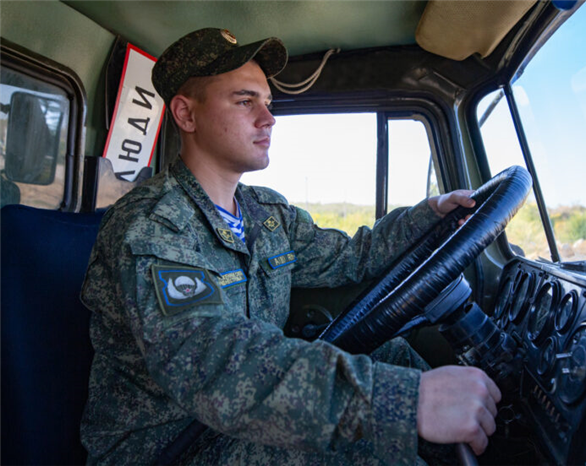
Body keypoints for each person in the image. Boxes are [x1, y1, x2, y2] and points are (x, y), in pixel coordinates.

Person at [80, 28, 501, 465]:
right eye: (246, 102)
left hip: (235, 422)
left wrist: (428, 214)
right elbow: (213, 365)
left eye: (268, 103)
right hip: (174, 444)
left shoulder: (266, 212)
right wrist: (402, 401)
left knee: (390, 353)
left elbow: (351, 257)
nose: (268, 119)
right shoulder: (153, 225)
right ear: (186, 115)